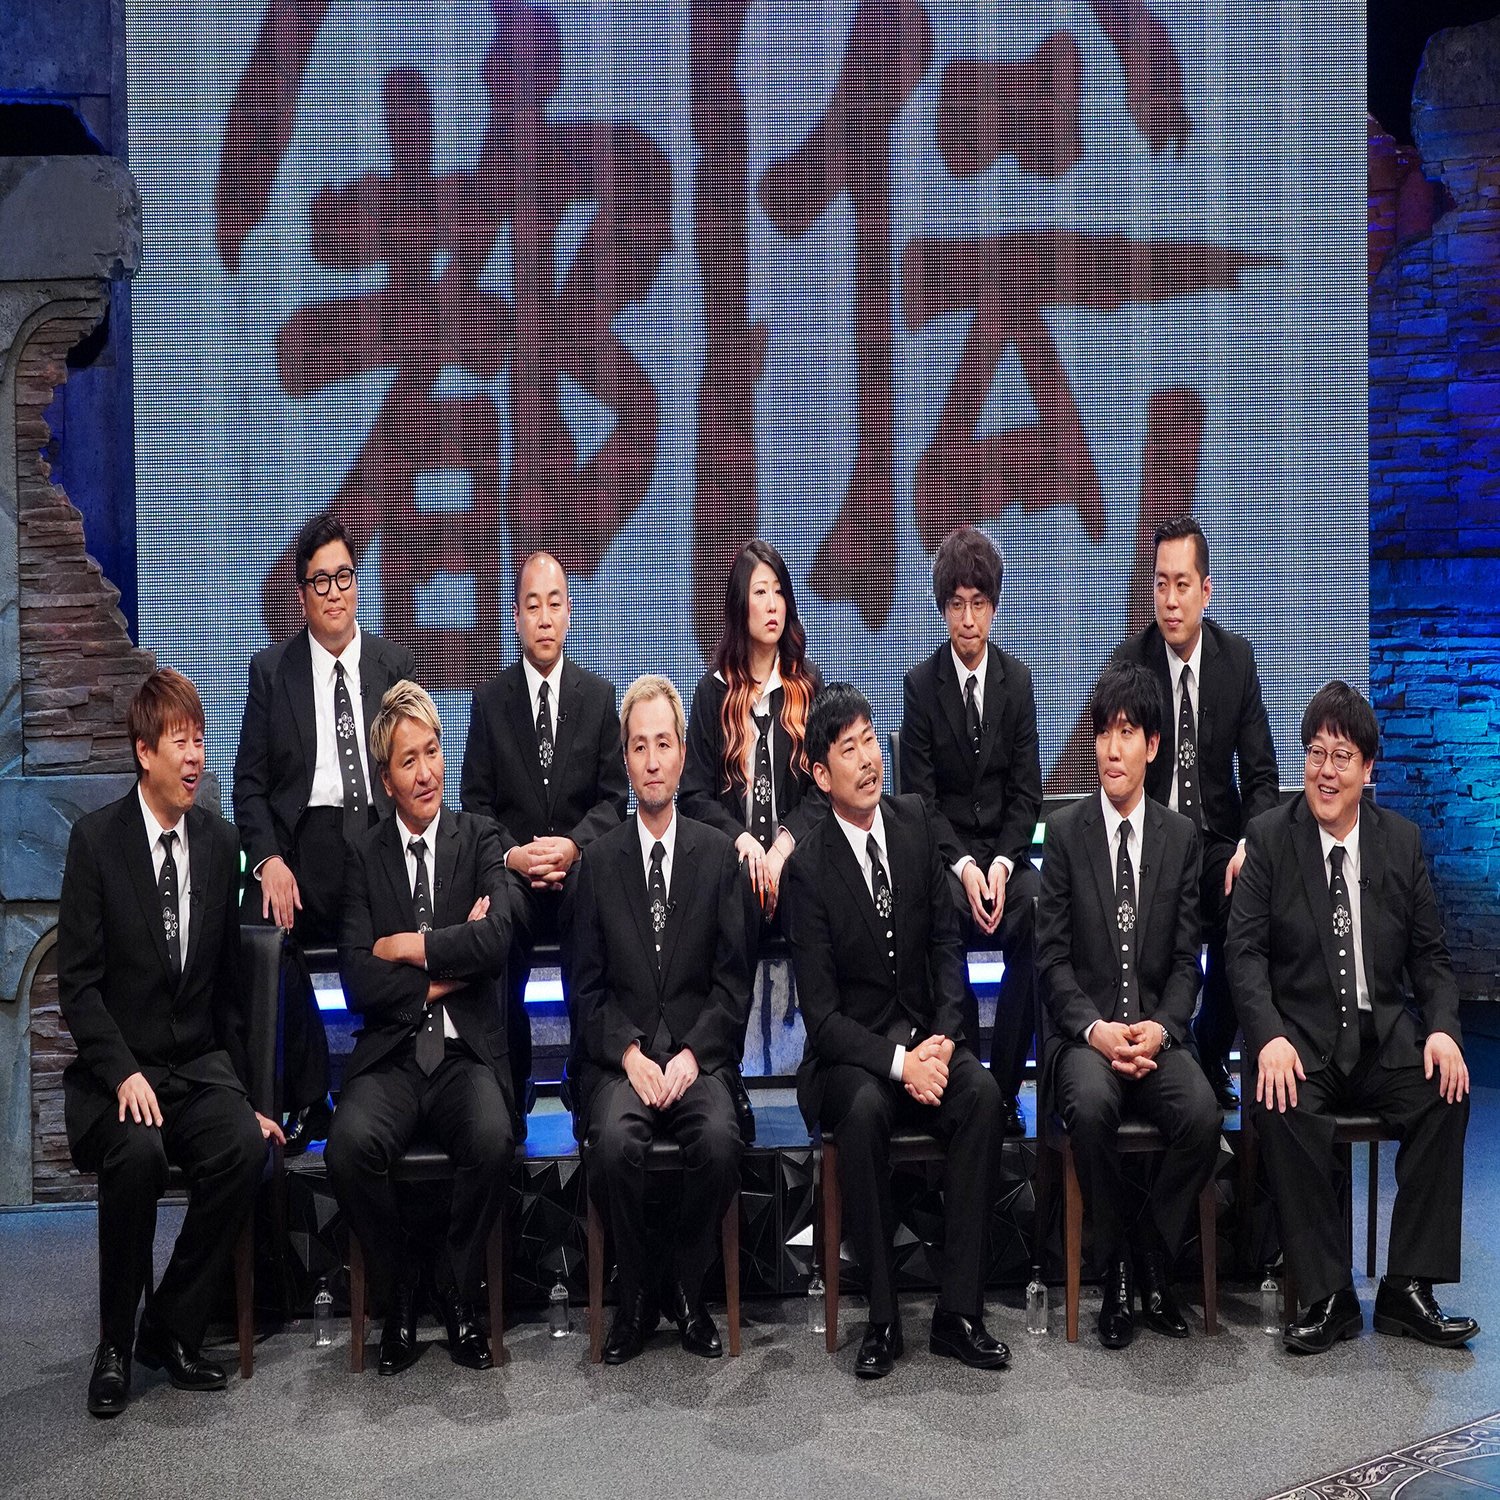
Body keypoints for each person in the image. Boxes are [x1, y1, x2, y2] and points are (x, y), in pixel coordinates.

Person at [1227, 681, 1478, 1354]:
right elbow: (1243, 956)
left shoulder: (1400, 843)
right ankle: (1328, 1293)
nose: (1326, 771)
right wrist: (1268, 1037)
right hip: (1302, 1042)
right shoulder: (1270, 839)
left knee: (1447, 1093)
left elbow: (1431, 957)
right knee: (1278, 1100)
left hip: (1381, 1040)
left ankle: (1408, 1287)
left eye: (1342, 757)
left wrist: (1444, 1030)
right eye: (1316, 753)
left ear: (1369, 769)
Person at [59, 669, 283, 1418]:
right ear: (143, 752)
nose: (195, 757)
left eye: (200, 740)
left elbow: (228, 998)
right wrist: (122, 1071)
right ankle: (114, 1346)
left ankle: (171, 1326)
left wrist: (245, 1100)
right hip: (120, 1074)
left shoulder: (220, 844)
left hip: (194, 1068)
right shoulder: (96, 843)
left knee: (244, 1149)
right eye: (180, 742)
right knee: (138, 1156)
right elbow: (79, 987)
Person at [783, 683, 1006, 1380]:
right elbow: (823, 1021)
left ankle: (958, 1314)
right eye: (848, 749)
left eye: (871, 740)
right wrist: (899, 1062)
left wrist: (944, 1039)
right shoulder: (808, 870)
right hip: (853, 1059)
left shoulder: (914, 825)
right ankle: (882, 1318)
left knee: (983, 1097)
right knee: (862, 1109)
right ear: (822, 774)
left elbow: (947, 948)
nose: (868, 759)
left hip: (929, 1042)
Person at [324, 681, 515, 1375]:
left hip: (465, 1054)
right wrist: (447, 964)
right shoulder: (362, 853)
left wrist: (409, 946)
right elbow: (356, 977)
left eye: (432, 752)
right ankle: (399, 1291)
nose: (426, 772)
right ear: (387, 779)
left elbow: (496, 939)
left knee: (493, 1138)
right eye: (409, 761)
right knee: (348, 1148)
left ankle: (457, 1293)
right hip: (393, 1053)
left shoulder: (480, 836)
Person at [1036, 663, 1220, 1348]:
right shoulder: (1065, 832)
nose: (1112, 750)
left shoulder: (1181, 837)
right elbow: (1052, 961)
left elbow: (1187, 963)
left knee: (1202, 1115)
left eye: (1126, 734)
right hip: (1087, 1039)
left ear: (1153, 745)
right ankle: (1115, 1270)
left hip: (1156, 1035)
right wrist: (1095, 1029)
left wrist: (1163, 1029)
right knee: (1090, 1107)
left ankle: (1149, 1253)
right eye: (1103, 735)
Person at [571, 676, 753, 1365]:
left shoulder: (718, 856)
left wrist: (692, 1056)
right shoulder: (596, 864)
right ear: (625, 758)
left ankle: (685, 1285)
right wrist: (629, 1054)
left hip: (694, 1060)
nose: (652, 761)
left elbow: (732, 985)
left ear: (682, 755)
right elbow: (585, 991)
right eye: (639, 747)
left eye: (664, 745)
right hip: (624, 1064)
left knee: (720, 1139)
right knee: (615, 1144)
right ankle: (637, 1294)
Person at [234, 511, 417, 1149]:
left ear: (357, 583)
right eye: (320, 581)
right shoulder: (271, 671)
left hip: (381, 844)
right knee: (258, 932)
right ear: (301, 594)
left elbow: (418, 768)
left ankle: (397, 1078)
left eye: (344, 577)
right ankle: (310, 1096)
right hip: (303, 853)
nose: (334, 592)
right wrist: (268, 862)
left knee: (423, 923)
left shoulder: (395, 664)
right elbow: (249, 787)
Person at [1111, 515, 1279, 1108]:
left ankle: (1209, 1051)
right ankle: (1155, 1054)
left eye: (1182, 585)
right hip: (1150, 843)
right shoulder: (1131, 663)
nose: (1170, 600)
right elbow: (1115, 773)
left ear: (1205, 591)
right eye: (1160, 584)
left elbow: (1261, 776)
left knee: (1248, 906)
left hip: (1214, 845)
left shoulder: (1236, 661)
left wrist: (1249, 845)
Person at [461, 551, 628, 1134]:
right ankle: (513, 1083)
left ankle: (587, 1077)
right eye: (532, 606)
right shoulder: (490, 702)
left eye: (554, 604)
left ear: (569, 611)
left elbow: (614, 801)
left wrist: (572, 847)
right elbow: (475, 807)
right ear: (516, 617)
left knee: (593, 910)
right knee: (497, 924)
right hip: (516, 874)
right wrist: (514, 854)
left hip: (577, 871)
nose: (544, 617)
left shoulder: (598, 697)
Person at [901, 525, 1042, 1136]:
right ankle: (961, 1083)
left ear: (993, 606)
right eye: (956, 605)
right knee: (941, 918)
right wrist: (963, 867)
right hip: (946, 860)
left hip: (1006, 858)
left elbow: (1027, 794)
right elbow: (920, 801)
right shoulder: (920, 687)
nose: (967, 619)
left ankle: (1004, 1088)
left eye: (978, 604)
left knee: (1040, 915)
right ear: (943, 608)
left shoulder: (1019, 682)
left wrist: (1004, 865)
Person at [681, 538, 823, 921]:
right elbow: (693, 796)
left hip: (795, 859)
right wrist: (741, 840)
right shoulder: (713, 692)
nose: (773, 604)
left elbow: (823, 791)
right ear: (740, 605)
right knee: (740, 888)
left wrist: (780, 849)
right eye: (760, 592)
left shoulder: (808, 686)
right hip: (731, 864)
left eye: (779, 592)